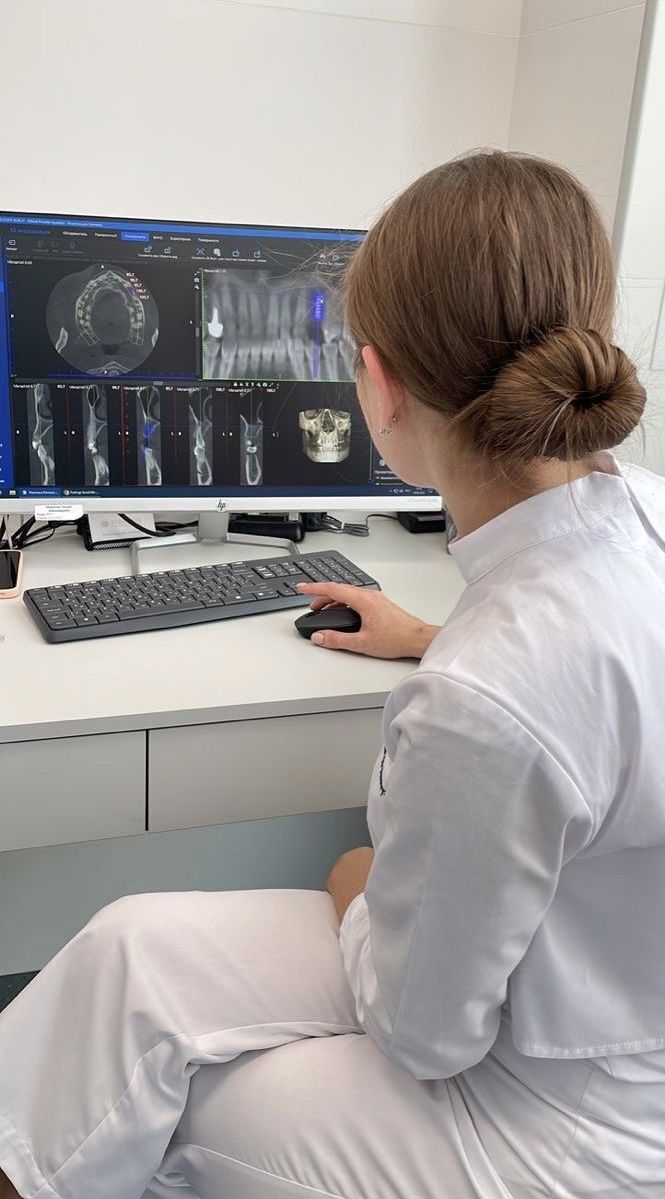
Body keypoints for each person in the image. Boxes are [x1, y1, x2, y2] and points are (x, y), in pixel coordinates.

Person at [1, 150, 664, 1199]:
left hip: (549, 1123)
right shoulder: (633, 520)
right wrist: (434, 635)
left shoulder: (490, 692)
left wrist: (353, 884)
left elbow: (422, 1031)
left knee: (158, 1093)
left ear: (376, 382)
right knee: (127, 948)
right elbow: (586, 683)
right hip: (575, 995)